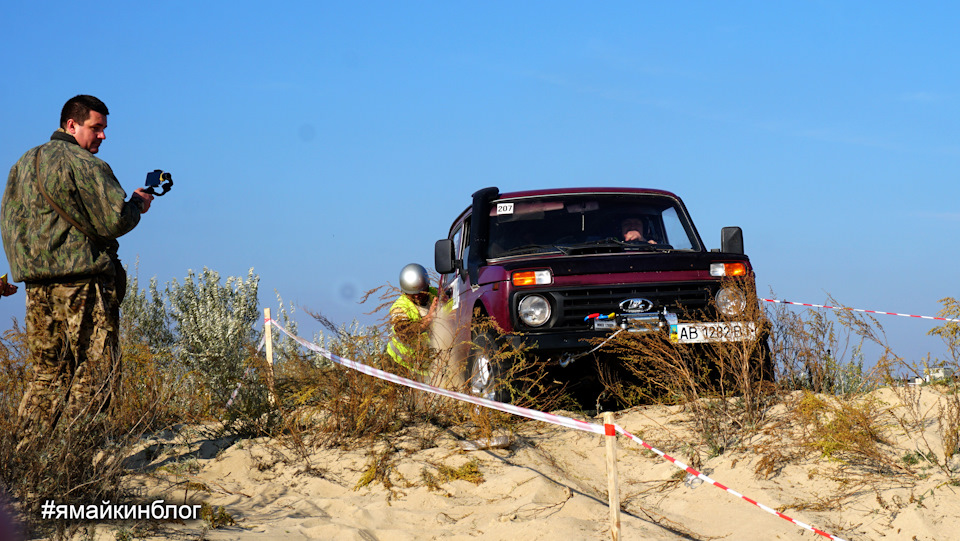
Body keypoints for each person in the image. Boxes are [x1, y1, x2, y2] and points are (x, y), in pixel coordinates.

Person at [1, 95, 155, 442]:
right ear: (71, 125)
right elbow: (116, 219)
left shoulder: (22, 164)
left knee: (47, 374)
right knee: (97, 370)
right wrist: (137, 204)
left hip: (37, 288)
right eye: (96, 128)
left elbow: (9, 223)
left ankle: (27, 454)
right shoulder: (86, 164)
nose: (102, 136)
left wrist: (27, 268)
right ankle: (78, 452)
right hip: (82, 285)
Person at [387, 263, 439, 373]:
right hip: (402, 363)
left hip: (428, 363)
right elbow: (405, 333)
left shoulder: (438, 295)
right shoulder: (399, 307)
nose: (416, 296)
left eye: (420, 292)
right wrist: (429, 318)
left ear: (427, 286)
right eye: (411, 293)